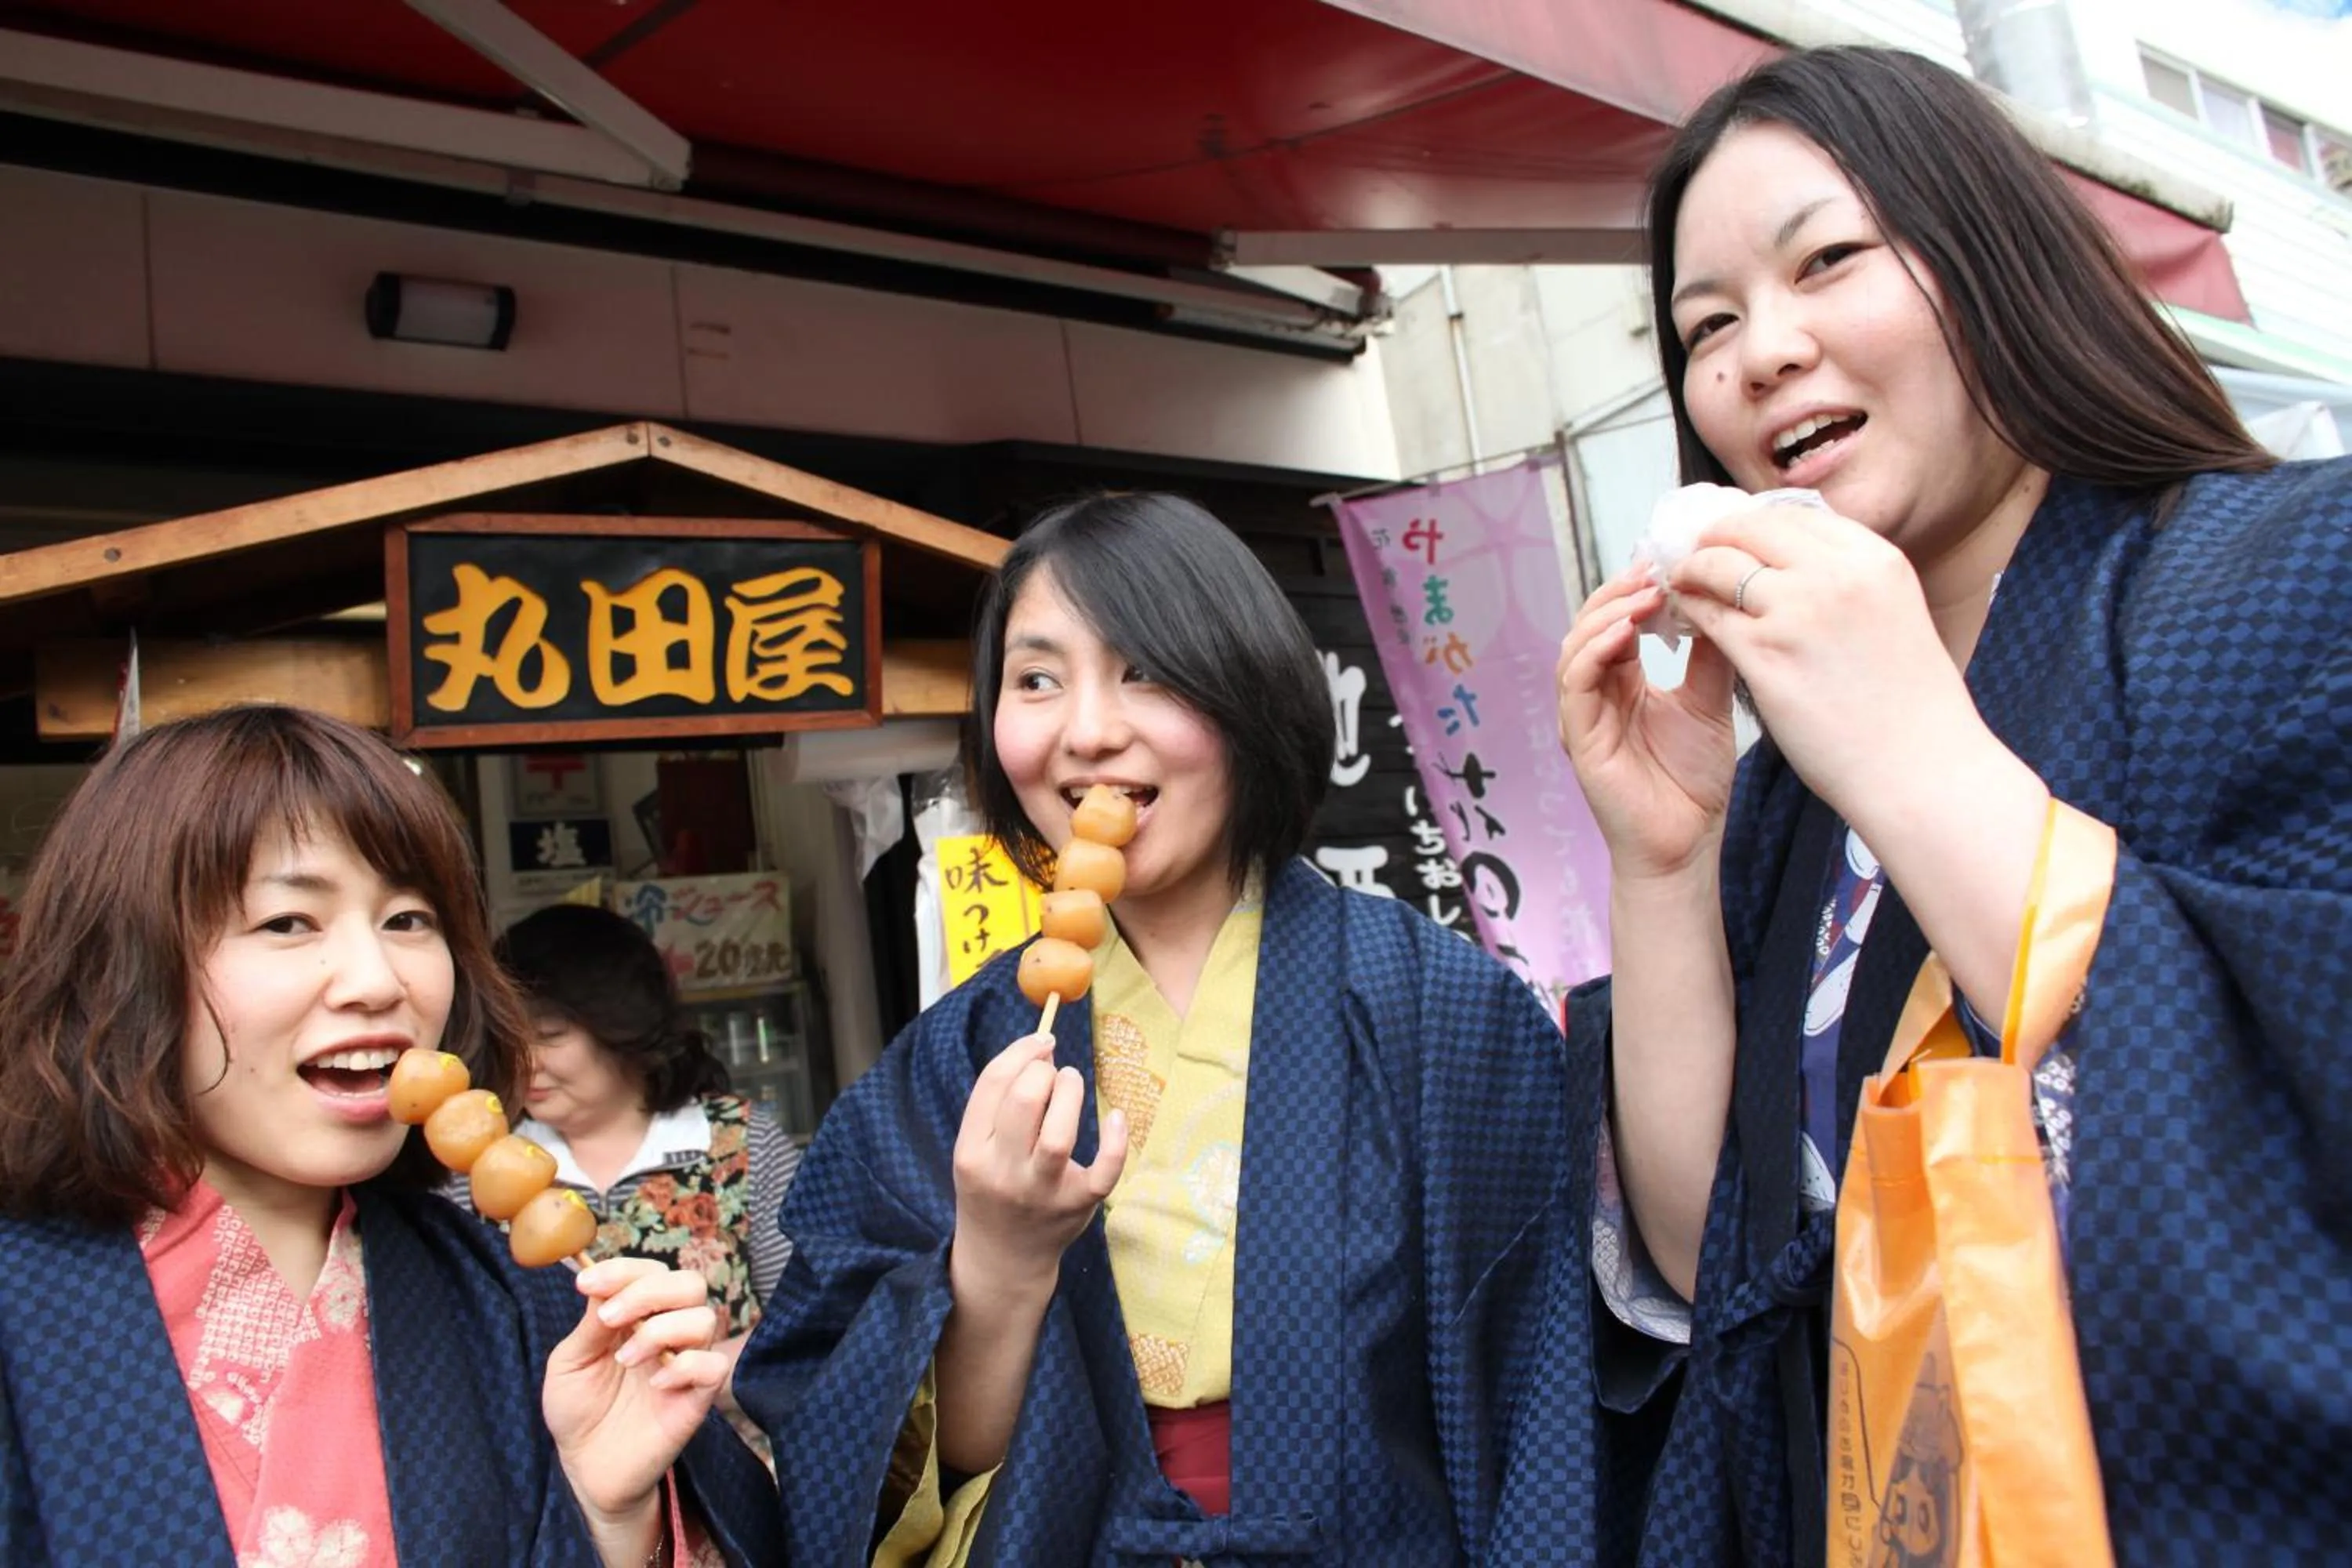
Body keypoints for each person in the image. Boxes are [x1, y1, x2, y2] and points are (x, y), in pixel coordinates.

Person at [1513, 44, 2352, 1567]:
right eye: (1707, 327)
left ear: (1994, 254)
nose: (1759, 354)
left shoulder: (2293, 580)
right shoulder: (1781, 811)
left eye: (1826, 259)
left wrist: (1906, 746)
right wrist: (1667, 855)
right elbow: (1728, 1271)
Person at [732, 493, 1575, 1563]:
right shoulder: (954, 1059)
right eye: (1036, 679)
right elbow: (848, 1458)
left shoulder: (1436, 1007)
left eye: (1147, 670)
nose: (1087, 732)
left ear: (1248, 693)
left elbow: (1551, 1396)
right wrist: (997, 1267)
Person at [0, 706, 784, 1567]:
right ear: (125, 963)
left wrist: (604, 1515)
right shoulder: (26, 1302)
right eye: (288, 922)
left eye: (408, 918)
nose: (379, 981)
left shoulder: (522, 1302)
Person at [485, 904, 802, 1417]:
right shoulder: (489, 1167)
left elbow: (809, 1324)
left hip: (737, 1463)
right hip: (565, 1479)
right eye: (509, 1035)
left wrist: (707, 1376)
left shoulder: (739, 1142)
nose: (525, 1060)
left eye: (548, 1034)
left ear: (620, 1020)